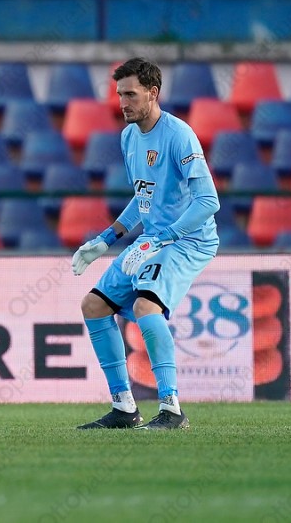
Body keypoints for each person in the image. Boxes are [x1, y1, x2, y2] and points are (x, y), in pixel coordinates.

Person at [71, 58, 220, 430]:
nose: (123, 103)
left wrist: (164, 238)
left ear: (153, 93)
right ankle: (124, 408)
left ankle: (172, 409)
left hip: (190, 240)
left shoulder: (179, 135)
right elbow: (144, 197)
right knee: (93, 305)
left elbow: (208, 202)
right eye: (120, 94)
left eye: (131, 95)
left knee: (145, 305)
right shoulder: (128, 137)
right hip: (153, 240)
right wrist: (106, 238)